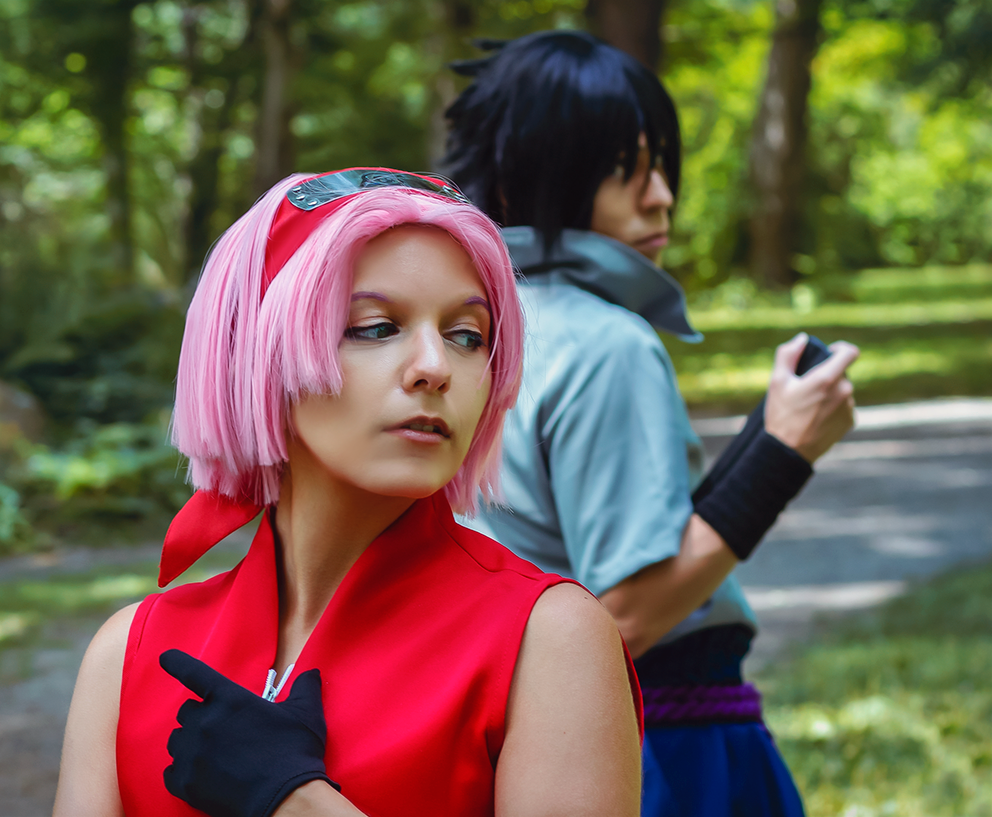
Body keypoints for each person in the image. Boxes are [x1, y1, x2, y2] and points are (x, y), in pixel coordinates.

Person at [52, 168, 642, 817]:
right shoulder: (127, 655)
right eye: (376, 326)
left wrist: (296, 802)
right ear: (260, 356)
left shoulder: (548, 640)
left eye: (467, 336)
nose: (435, 367)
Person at [442, 31, 859, 816]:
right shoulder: (607, 343)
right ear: (533, 178)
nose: (661, 195)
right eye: (622, 170)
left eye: (658, 165)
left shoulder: (462, 331)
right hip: (660, 746)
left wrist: (765, 435)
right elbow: (622, 617)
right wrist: (783, 454)